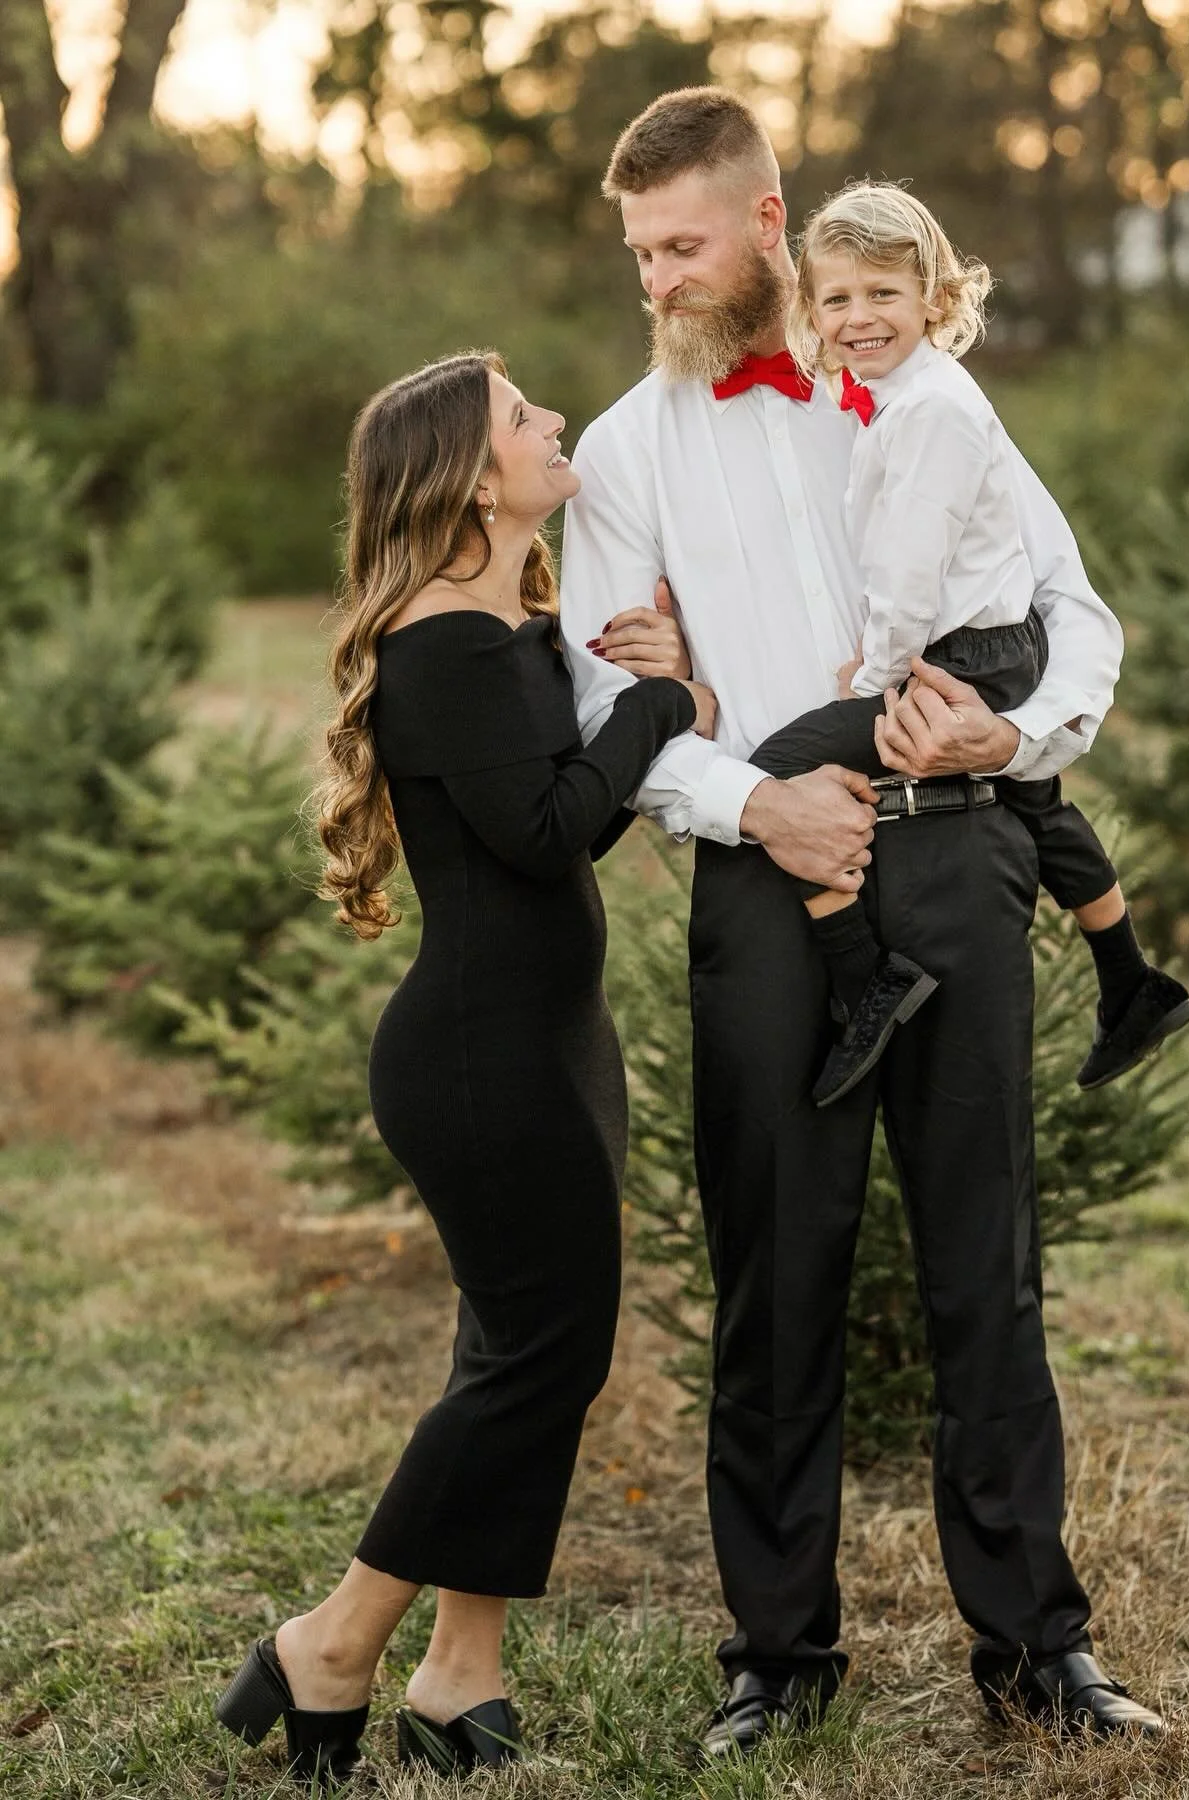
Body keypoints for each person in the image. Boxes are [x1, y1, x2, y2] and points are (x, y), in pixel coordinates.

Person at [563, 87, 1165, 1753]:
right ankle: (775, 1656)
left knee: (988, 1262)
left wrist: (1016, 735)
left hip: (962, 859)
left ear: (768, 224)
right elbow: (595, 703)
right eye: (638, 252)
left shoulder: (926, 396)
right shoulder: (623, 452)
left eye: (680, 244)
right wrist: (754, 800)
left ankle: (1039, 1654)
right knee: (775, 1267)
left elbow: (1072, 606)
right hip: (764, 885)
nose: (656, 280)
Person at [214, 350, 714, 1785]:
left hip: (549, 1042)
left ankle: (458, 1670)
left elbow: (556, 812)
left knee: (522, 1357)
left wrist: (624, 689)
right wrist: (660, 707)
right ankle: (332, 1642)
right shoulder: (443, 644)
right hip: (482, 1064)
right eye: (522, 416)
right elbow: (552, 829)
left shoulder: (502, 626)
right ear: (469, 477)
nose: (555, 421)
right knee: (540, 1357)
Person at [742, 180, 1189, 1108]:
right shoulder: (901, 398)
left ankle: (865, 976)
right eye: (837, 299)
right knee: (1036, 800)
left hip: (959, 659)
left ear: (934, 299)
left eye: (883, 294)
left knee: (773, 772)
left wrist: (866, 675)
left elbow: (908, 579)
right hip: (989, 648)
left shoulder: (930, 411)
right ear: (811, 310)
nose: (858, 317)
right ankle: (1130, 980)